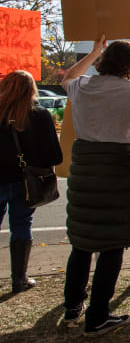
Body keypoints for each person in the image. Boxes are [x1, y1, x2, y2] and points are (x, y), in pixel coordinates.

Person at [60, 37, 130, 335]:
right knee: (113, 244)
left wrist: (92, 53)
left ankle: (72, 309)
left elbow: (68, 76)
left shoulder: (83, 87)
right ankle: (98, 315)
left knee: (82, 242)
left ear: (105, 60)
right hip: (118, 169)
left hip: (85, 168)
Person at [1, 70, 62, 294]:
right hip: (26, 182)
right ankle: (19, 279)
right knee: (22, 226)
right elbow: (55, 156)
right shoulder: (39, 115)